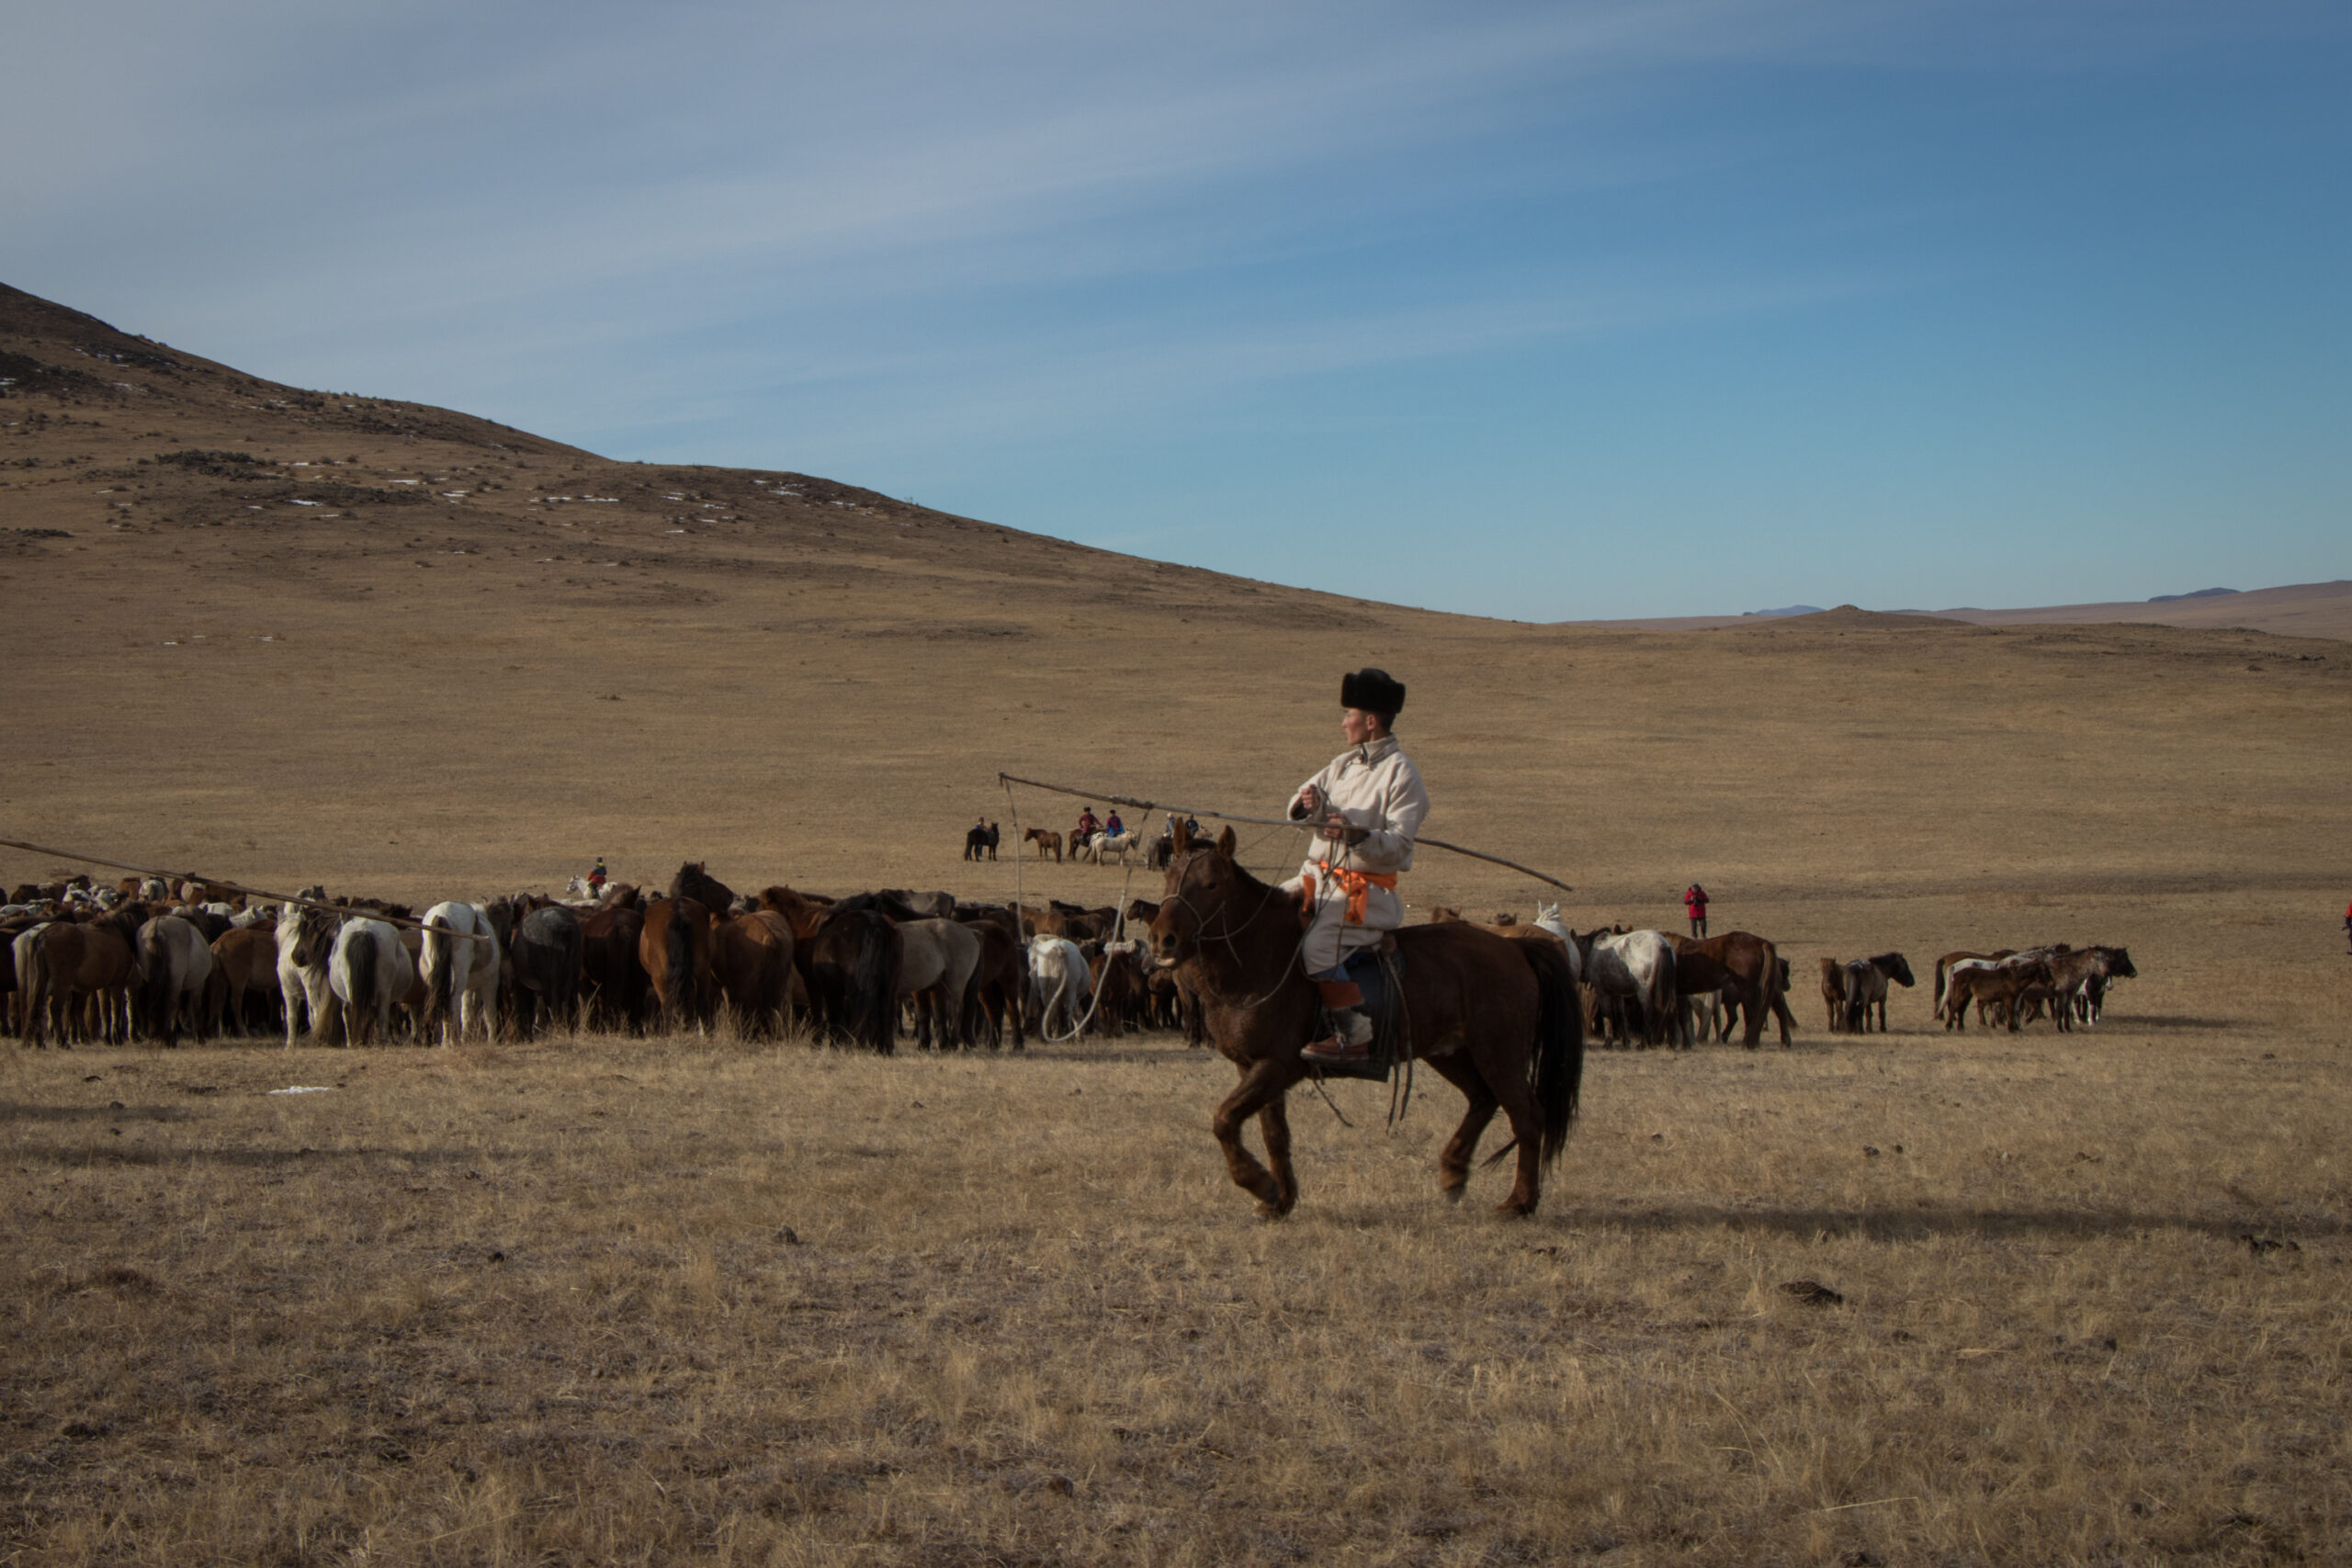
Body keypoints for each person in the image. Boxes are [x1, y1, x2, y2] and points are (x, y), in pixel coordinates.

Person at [1283, 668, 1428, 1066]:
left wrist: (1356, 837)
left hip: (1362, 893)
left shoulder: (1404, 775)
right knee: (1268, 914)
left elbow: (1399, 848)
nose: (1343, 721)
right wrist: (1309, 805)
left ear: (1369, 721)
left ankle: (1353, 1034)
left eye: (1348, 713)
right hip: (1314, 878)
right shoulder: (1342, 764)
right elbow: (1298, 803)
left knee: (1315, 947)